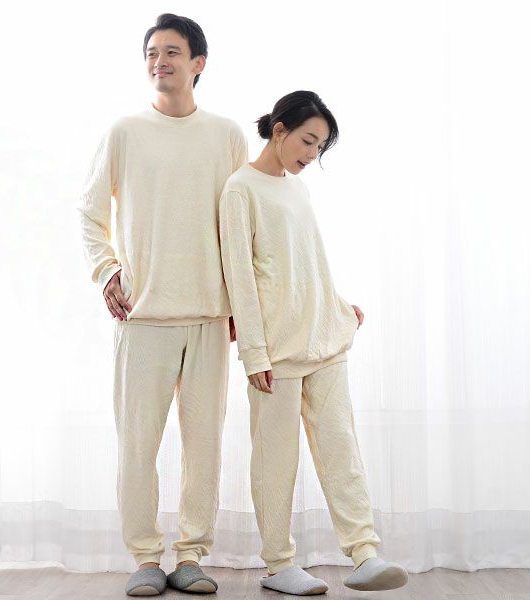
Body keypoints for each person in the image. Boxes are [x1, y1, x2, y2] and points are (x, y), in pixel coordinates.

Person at [77, 13, 248, 596]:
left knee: (204, 448)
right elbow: (89, 211)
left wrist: (240, 303)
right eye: (152, 52)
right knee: (137, 447)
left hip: (208, 315)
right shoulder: (124, 132)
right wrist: (107, 271)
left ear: (198, 63)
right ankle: (146, 557)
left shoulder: (226, 135)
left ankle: (191, 555)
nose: (159, 61)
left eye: (172, 51)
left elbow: (242, 223)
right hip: (143, 317)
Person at [218, 90, 409, 595]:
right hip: (275, 351)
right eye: (307, 141)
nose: (311, 154)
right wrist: (253, 353)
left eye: (320, 147)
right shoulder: (240, 190)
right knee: (275, 459)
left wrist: (338, 304)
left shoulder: (297, 189)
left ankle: (364, 553)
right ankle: (279, 565)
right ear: (279, 129)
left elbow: (305, 261)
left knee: (340, 447)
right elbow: (241, 278)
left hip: (323, 337)